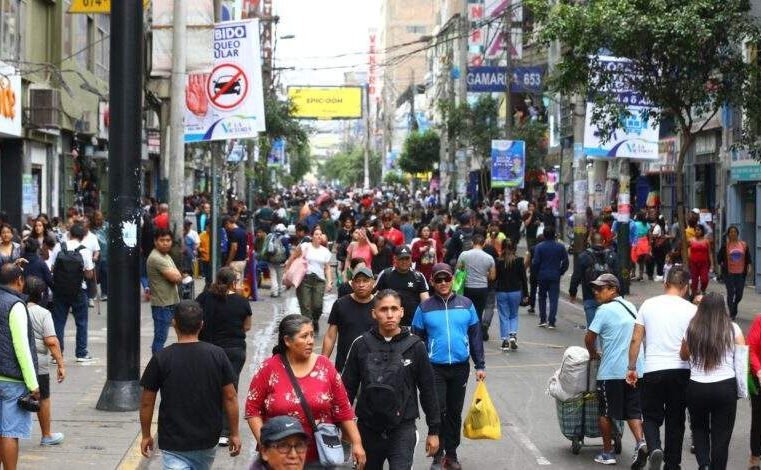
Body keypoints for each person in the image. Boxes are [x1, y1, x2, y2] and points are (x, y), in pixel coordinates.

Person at [244, 314, 366, 468]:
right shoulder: (268, 368)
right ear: (287, 340)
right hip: (280, 458)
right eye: (304, 336)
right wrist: (264, 443)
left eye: (312, 335)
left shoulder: (325, 366)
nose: (311, 341)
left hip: (318, 456)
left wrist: (357, 443)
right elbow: (252, 410)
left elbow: (343, 409)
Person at [342, 289, 441, 470]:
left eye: (394, 309)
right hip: (368, 427)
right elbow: (346, 390)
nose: (389, 315)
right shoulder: (360, 344)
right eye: (384, 309)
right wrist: (345, 429)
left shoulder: (416, 346)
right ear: (374, 313)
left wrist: (434, 430)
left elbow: (428, 390)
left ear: (402, 312)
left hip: (403, 427)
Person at [139, 300, 241, 469]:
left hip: (173, 441)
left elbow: (146, 402)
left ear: (173, 323)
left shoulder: (161, 358)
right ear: (201, 325)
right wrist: (234, 433)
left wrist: (146, 435)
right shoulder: (217, 355)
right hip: (207, 439)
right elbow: (230, 397)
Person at [412, 263, 486, 470]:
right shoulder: (424, 308)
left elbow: (475, 337)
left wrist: (480, 365)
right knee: (437, 410)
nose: (443, 283)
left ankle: (451, 454)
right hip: (434, 368)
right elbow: (417, 339)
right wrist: (417, 367)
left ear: (453, 279)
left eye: (446, 278)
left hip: (460, 368)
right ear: (432, 282)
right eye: (438, 279)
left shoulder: (467, 304)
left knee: (454, 411)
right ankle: (438, 454)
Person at [626, 267, 695, 470]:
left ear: (665, 284)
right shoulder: (692, 310)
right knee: (676, 418)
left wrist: (631, 367)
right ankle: (672, 464)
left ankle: (655, 447)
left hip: (653, 369)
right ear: (686, 287)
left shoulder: (648, 305)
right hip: (681, 370)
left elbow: (636, 339)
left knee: (650, 415)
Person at [584, 274, 647, 467]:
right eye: (595, 288)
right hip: (634, 370)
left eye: (601, 288)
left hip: (611, 371)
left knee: (605, 412)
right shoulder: (630, 307)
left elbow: (589, 338)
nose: (596, 292)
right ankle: (641, 442)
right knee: (633, 411)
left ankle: (607, 452)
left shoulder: (603, 310)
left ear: (613, 289)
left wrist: (593, 353)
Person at [679, 292, 744, 470]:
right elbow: (741, 363)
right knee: (721, 435)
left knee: (699, 428)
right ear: (723, 308)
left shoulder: (691, 328)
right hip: (725, 387)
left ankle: (704, 464)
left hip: (697, 386)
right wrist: (741, 389)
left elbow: (683, 356)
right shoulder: (733, 329)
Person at [196, 267, 252, 446]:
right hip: (234, 351)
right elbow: (247, 327)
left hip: (208, 350)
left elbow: (195, 318)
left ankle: (207, 426)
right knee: (230, 391)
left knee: (209, 387)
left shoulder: (204, 298)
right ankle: (226, 431)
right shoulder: (242, 302)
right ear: (233, 283)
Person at [0, 263, 40, 470]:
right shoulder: (15, 305)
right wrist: (33, 384)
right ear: (19, 281)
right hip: (12, 380)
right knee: (9, 432)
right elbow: (21, 347)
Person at [24, 276, 65, 446]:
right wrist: (61, 364)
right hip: (38, 364)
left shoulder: (16, 308)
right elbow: (51, 341)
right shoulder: (43, 313)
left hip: (17, 362)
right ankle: (46, 435)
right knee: (43, 397)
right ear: (41, 295)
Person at [51, 222, 95, 361]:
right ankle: (81, 353)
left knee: (58, 321)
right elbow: (88, 274)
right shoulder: (85, 250)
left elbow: (52, 268)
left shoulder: (59, 247)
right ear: (83, 237)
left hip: (60, 290)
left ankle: (57, 354)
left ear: (69, 234)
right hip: (79, 290)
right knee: (81, 322)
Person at [321, 266, 376, 372]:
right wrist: (323, 363)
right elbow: (330, 336)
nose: (361, 285)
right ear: (352, 283)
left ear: (373, 282)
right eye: (357, 281)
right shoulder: (340, 304)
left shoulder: (380, 304)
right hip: (345, 364)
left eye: (365, 281)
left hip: (374, 365)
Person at [289, 227, 333, 334]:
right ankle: (307, 327)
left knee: (318, 305)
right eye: (316, 234)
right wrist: (288, 271)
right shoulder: (305, 246)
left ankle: (315, 319)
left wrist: (329, 282)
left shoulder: (325, 251)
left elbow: (327, 268)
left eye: (320, 234)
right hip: (305, 279)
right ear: (312, 236)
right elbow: (294, 256)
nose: (319, 236)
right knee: (305, 305)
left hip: (319, 280)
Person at [569, 233, 617, 326]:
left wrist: (572, 293)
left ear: (590, 242)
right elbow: (618, 277)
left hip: (590, 296)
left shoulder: (584, 256)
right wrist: (619, 296)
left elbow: (576, 276)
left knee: (593, 329)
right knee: (607, 329)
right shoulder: (612, 255)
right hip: (608, 297)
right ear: (603, 241)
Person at [374, 245, 430, 326]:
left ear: (411, 259)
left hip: (412, 324)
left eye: (407, 258)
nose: (404, 262)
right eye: (401, 259)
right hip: (389, 323)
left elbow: (425, 302)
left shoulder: (418, 276)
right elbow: (375, 297)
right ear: (395, 258)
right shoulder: (385, 274)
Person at [146, 228, 182, 354]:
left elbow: (177, 274)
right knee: (160, 338)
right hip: (162, 305)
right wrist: (177, 274)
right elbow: (176, 277)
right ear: (155, 242)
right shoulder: (156, 257)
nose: (166, 243)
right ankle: (157, 365)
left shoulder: (166, 256)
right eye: (162, 240)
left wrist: (177, 274)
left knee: (180, 334)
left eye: (168, 240)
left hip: (170, 302)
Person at [456, 234, 496, 335]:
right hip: (482, 287)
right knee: (479, 311)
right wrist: (484, 273)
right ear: (483, 244)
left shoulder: (464, 255)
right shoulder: (489, 258)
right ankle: (477, 332)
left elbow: (458, 270)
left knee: (467, 310)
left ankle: (467, 331)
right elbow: (492, 276)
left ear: (472, 243)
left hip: (468, 287)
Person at [493, 239, 528, 351]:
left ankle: (505, 341)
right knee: (513, 314)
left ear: (502, 247)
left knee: (503, 316)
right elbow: (523, 279)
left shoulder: (498, 261)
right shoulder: (519, 261)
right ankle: (512, 335)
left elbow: (495, 278)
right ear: (514, 248)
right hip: (515, 291)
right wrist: (526, 294)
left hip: (501, 291)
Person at [531, 226, 569, 329]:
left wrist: (536, 273)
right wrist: (560, 272)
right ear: (554, 235)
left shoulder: (539, 247)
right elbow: (566, 262)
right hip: (555, 275)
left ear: (544, 235)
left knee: (542, 297)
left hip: (542, 275)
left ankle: (543, 319)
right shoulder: (560, 247)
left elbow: (535, 262)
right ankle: (551, 321)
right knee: (553, 299)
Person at [718, 225, 752, 320]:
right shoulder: (725, 246)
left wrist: (749, 267)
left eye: (734, 232)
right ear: (728, 234)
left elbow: (748, 258)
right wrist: (722, 265)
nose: (733, 233)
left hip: (741, 273)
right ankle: (732, 313)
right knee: (731, 292)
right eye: (731, 232)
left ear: (737, 233)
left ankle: (735, 305)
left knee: (739, 294)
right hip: (729, 273)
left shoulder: (744, 245)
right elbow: (719, 258)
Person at [748, 312, 761, 470]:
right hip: (759, 379)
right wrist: (758, 370)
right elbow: (750, 349)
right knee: (758, 420)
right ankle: (755, 457)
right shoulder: (760, 320)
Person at [263, 224, 290, 298]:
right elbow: (287, 251)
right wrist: (287, 259)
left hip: (271, 260)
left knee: (273, 275)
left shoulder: (271, 236)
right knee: (280, 276)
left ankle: (274, 292)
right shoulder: (284, 239)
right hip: (280, 260)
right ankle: (279, 291)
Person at [223, 216, 248, 285]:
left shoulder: (233, 233)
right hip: (242, 261)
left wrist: (228, 261)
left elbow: (234, 248)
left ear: (228, 223)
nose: (226, 228)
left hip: (235, 262)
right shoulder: (243, 232)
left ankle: (234, 295)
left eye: (226, 226)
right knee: (239, 283)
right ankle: (239, 295)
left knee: (234, 284)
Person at [688, 224, 711, 297]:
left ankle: (702, 290)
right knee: (694, 281)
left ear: (702, 231)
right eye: (696, 230)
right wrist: (688, 260)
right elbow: (687, 250)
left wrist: (712, 264)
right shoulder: (691, 240)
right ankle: (693, 294)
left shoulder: (706, 241)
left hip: (704, 263)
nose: (697, 231)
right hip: (693, 263)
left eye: (699, 230)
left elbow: (709, 253)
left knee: (705, 280)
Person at [91, 210, 109, 301]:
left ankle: (104, 293)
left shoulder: (107, 225)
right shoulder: (91, 229)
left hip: (105, 254)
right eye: (97, 219)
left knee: (105, 273)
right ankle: (93, 293)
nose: (99, 221)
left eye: (100, 219)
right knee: (95, 274)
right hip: (95, 254)